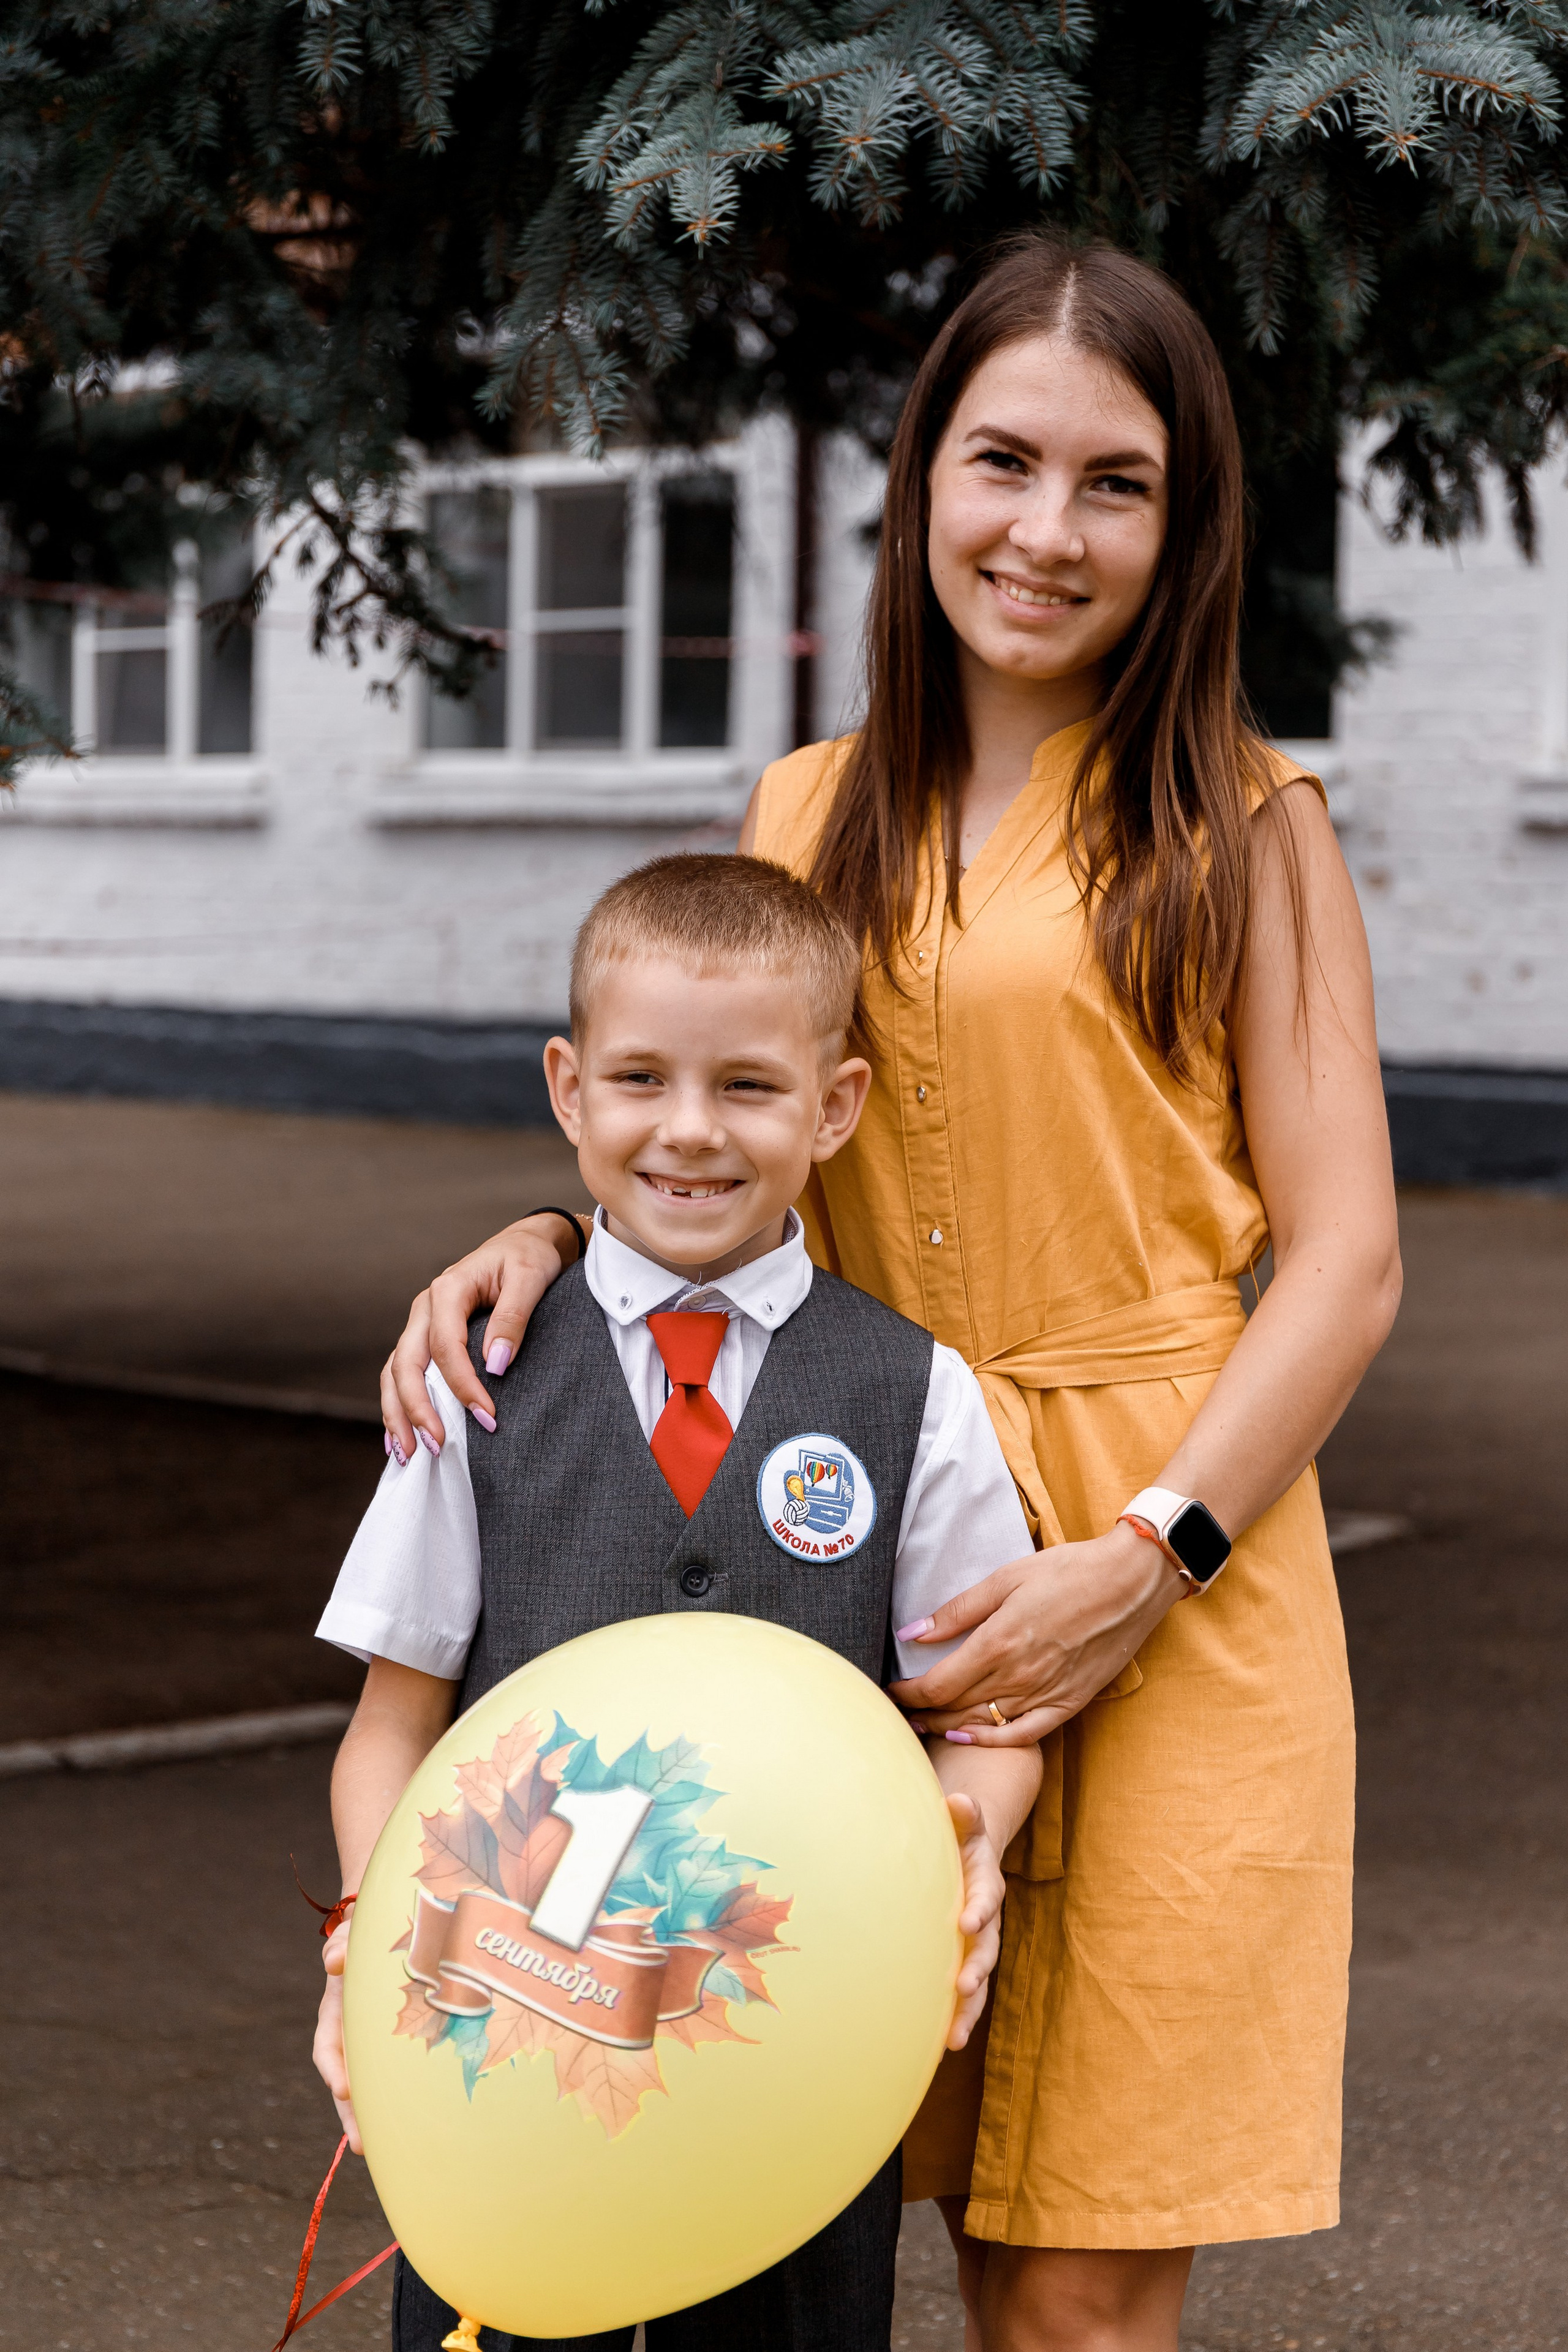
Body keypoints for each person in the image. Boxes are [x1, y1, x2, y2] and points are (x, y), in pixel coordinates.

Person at [380, 235, 1401, 2352]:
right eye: (1001, 460)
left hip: (1177, 1563)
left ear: (1185, 520)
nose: (1046, 530)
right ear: (922, 473)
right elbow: (733, 1135)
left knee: (1078, 2283)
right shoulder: (807, 810)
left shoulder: (1247, 823)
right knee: (771, 2207)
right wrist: (555, 1244)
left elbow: (1353, 1260)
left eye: (1115, 482)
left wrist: (1150, 1553)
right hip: (850, 1550)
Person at [315, 852, 1045, 2352]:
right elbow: (393, 1724)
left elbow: (986, 1715)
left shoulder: (917, 1395)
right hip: (508, 2036)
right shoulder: (476, 1377)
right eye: (640, 1079)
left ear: (834, 1107)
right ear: (567, 1090)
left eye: (750, 1088)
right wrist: (366, 1943)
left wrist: (965, 1852)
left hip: (783, 2054)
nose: (691, 1131)